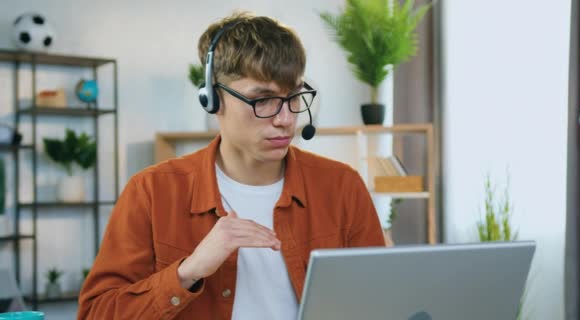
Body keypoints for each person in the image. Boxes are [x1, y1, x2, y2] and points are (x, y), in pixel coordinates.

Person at [78, 11, 384, 320]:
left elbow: (382, 302)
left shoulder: (342, 186)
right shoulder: (152, 191)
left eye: (293, 97)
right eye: (262, 99)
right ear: (212, 99)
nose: (286, 119)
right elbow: (96, 313)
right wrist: (188, 271)